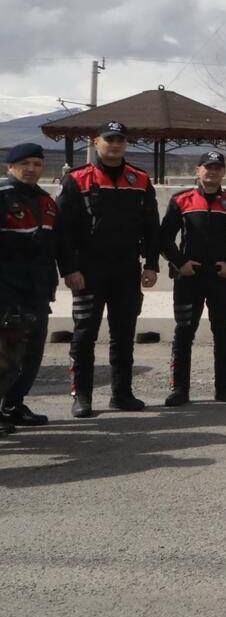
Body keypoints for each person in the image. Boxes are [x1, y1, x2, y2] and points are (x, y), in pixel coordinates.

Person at [56, 120, 160, 417]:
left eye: (120, 140)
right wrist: (69, 269)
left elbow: (151, 227)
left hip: (126, 271)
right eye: (109, 139)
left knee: (124, 334)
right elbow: (63, 231)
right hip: (88, 272)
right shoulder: (77, 179)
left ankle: (122, 394)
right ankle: (82, 397)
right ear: (96, 142)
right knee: (84, 335)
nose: (114, 144)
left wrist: (151, 265)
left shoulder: (139, 179)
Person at [158, 151, 226, 406]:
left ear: (224, 172)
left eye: (218, 168)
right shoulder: (182, 200)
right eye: (207, 167)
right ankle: (179, 389)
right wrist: (180, 263)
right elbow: (164, 237)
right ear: (198, 171)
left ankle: (224, 388)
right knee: (184, 332)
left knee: (222, 332)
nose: (212, 171)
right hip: (189, 277)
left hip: (221, 278)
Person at [0, 143, 58, 429]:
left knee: (31, 354)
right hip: (6, 292)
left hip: (36, 292)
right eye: (24, 163)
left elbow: (53, 247)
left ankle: (13, 405)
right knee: (4, 358)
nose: (31, 169)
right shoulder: (2, 197)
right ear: (10, 166)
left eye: (37, 163)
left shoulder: (46, 201)